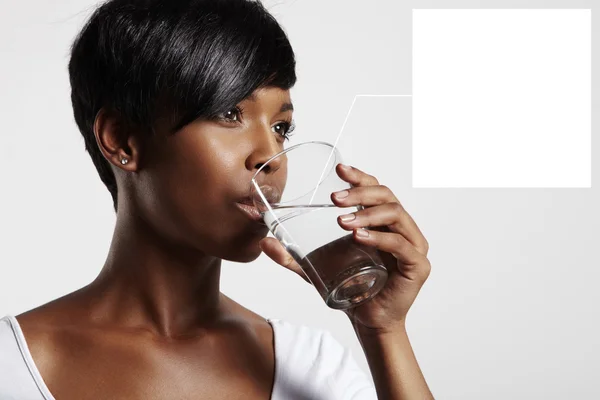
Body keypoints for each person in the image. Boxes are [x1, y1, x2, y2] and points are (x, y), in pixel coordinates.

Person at [0, 0, 434, 398]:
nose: (271, 156)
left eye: (282, 127)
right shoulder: (11, 366)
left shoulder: (312, 367)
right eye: (230, 113)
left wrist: (383, 330)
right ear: (122, 140)